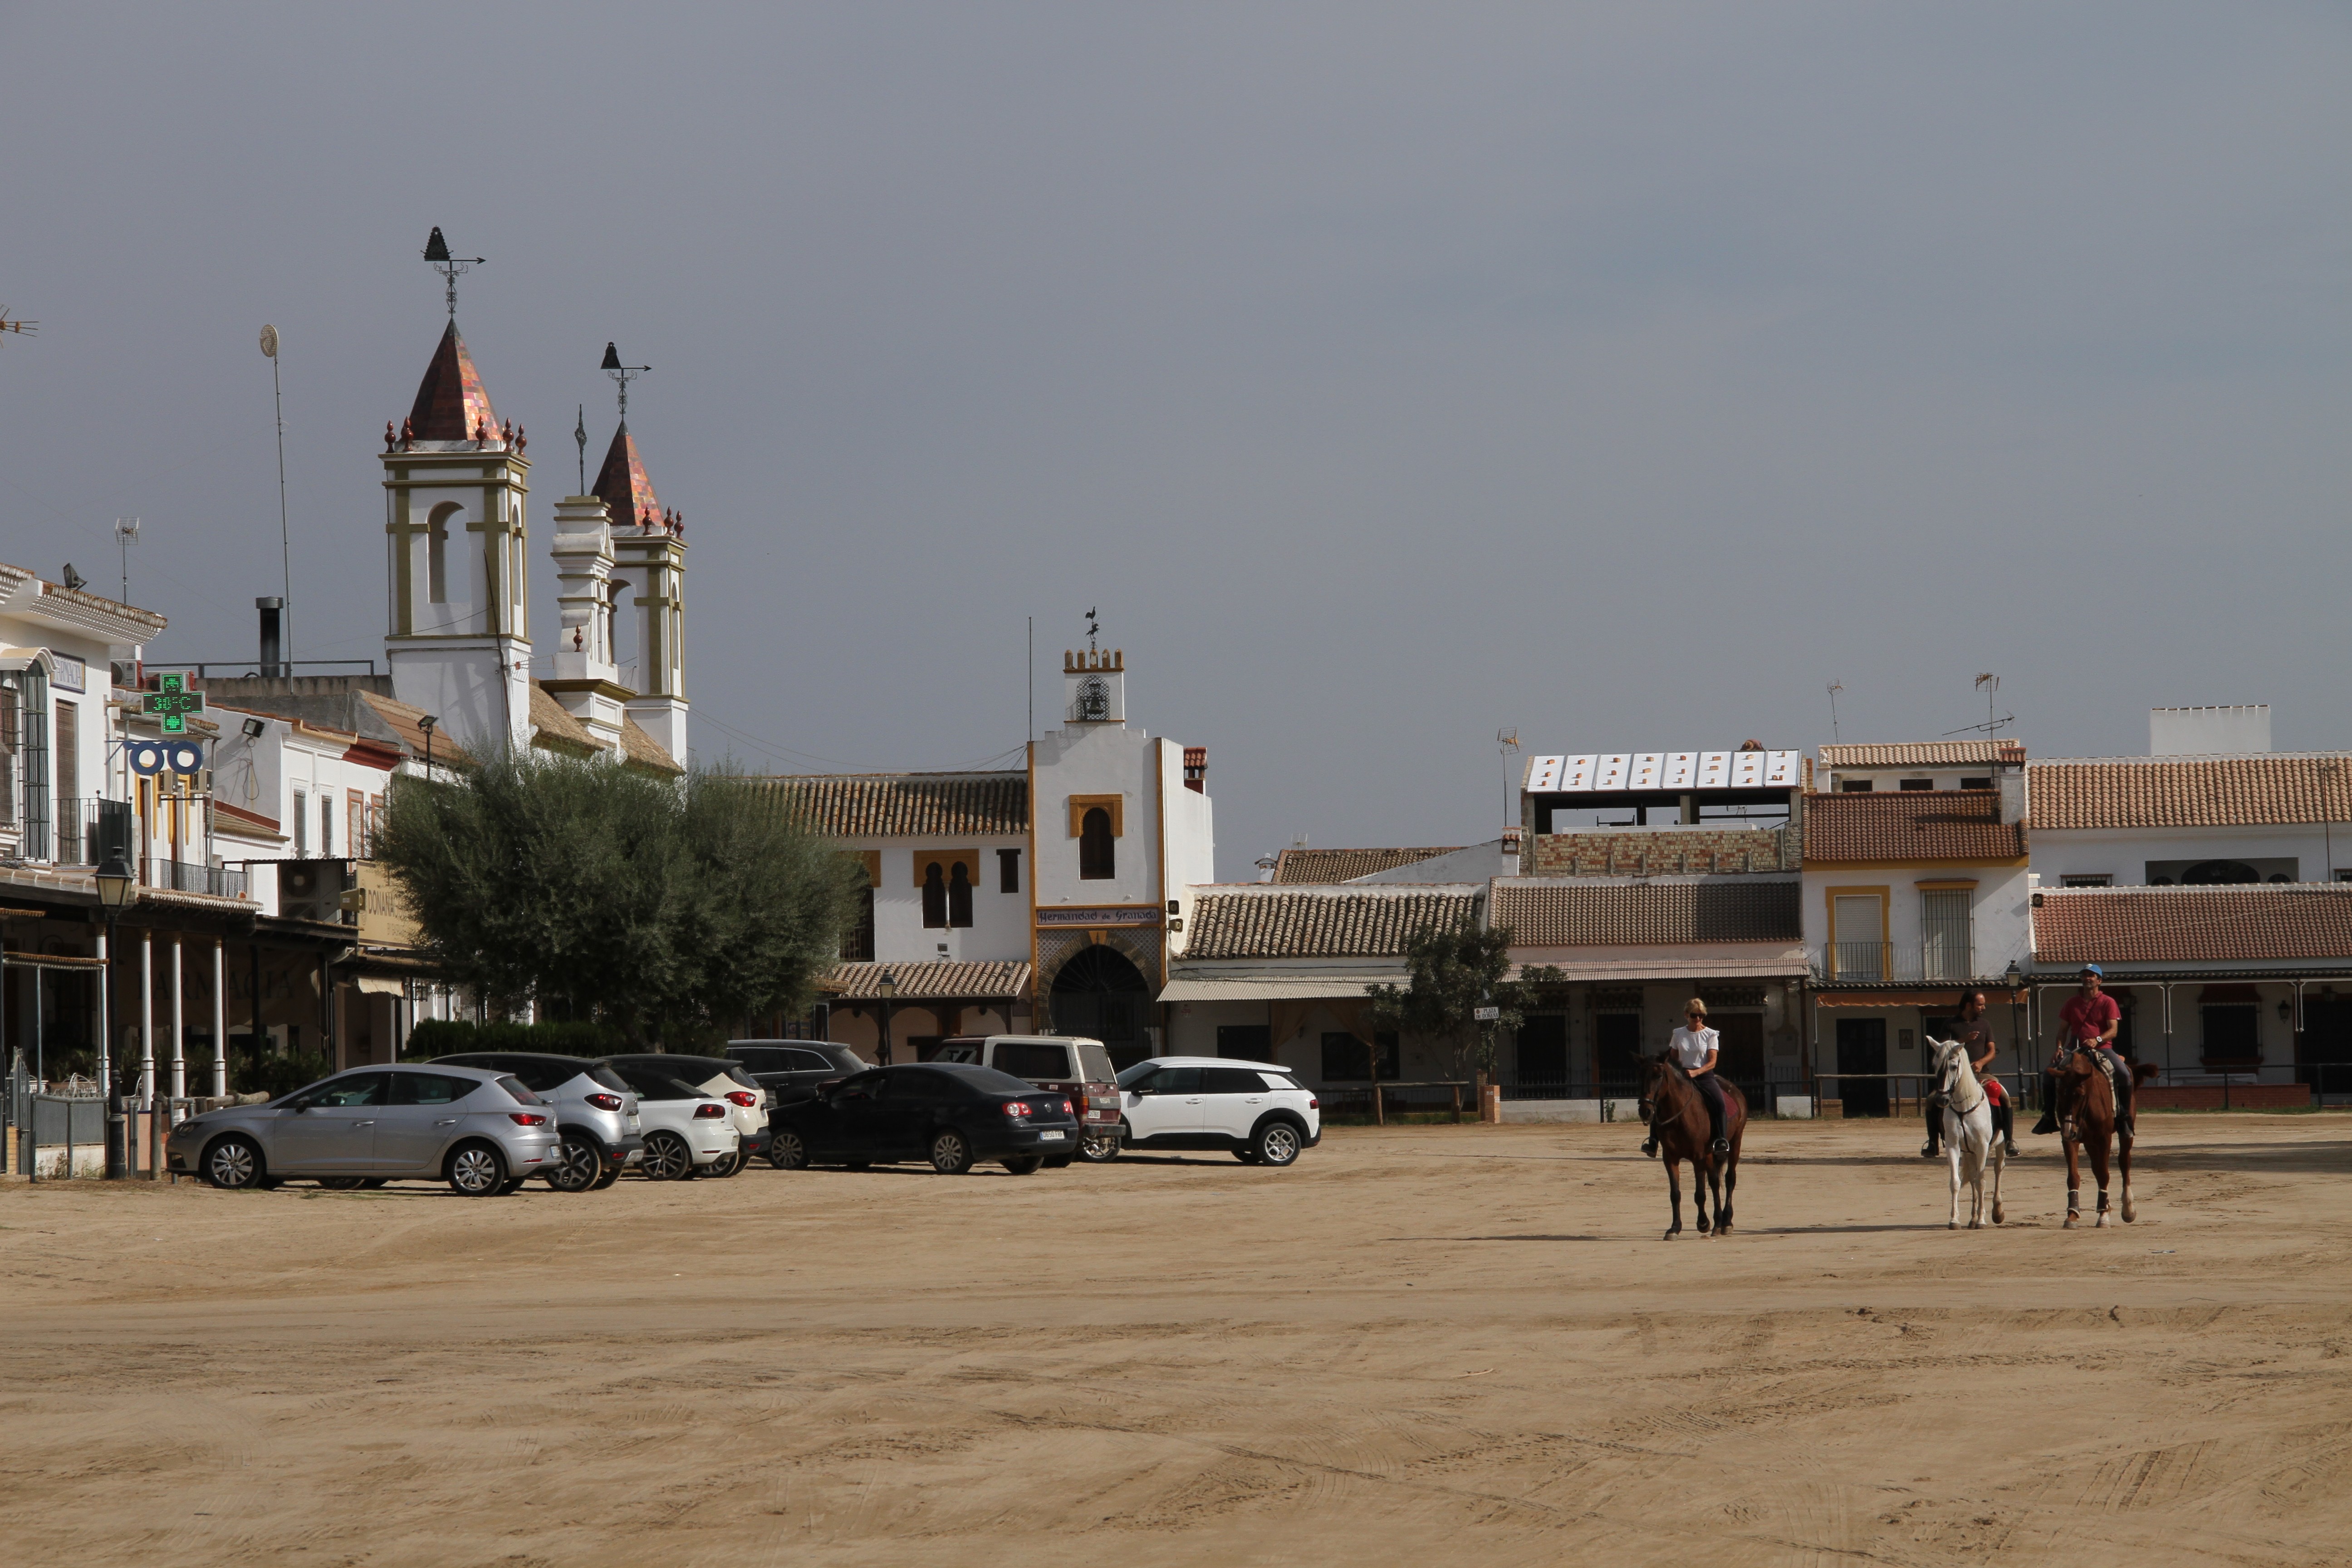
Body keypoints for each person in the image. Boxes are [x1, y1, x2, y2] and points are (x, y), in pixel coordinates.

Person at [2033, 962, 2132, 1137]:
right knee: (2048, 1074)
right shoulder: (2072, 1003)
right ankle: (2049, 1116)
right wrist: (2059, 1047)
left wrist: (2097, 1039)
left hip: (2103, 1049)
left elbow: (2113, 1031)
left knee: (2124, 1073)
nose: (2087, 978)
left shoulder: (2108, 1002)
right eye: (2084, 975)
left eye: (2091, 975)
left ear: (2099, 980)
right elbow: (2062, 1031)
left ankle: (2123, 1116)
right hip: (2075, 1048)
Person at [1922, 989, 2013, 1159]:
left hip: (1982, 1074)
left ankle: (2009, 1140)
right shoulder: (1950, 1024)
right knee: (1931, 1100)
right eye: (1980, 1004)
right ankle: (1933, 1142)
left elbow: (1992, 1051)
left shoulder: (1985, 1024)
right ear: (1969, 1005)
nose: (1984, 1008)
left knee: (2003, 1095)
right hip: (1955, 1077)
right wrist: (1963, 1040)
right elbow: (1943, 1049)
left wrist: (1981, 1063)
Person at [1655, 999, 1730, 1157]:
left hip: (1704, 1076)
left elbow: (1712, 1062)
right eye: (1694, 1015)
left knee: (1719, 1103)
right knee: (1659, 1100)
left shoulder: (1711, 1035)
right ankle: (1653, 1140)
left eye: (1701, 1015)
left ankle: (1721, 1140)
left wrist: (1696, 1073)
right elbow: (1673, 1058)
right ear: (1686, 1015)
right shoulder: (1678, 1034)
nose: (1698, 1018)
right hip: (1682, 1077)